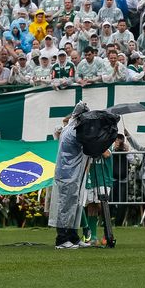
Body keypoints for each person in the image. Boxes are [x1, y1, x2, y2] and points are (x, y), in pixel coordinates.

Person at [47, 103, 89, 249]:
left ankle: (73, 236)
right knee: (66, 206)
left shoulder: (69, 129)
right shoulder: (73, 131)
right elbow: (88, 146)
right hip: (68, 174)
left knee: (74, 205)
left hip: (71, 173)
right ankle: (62, 239)